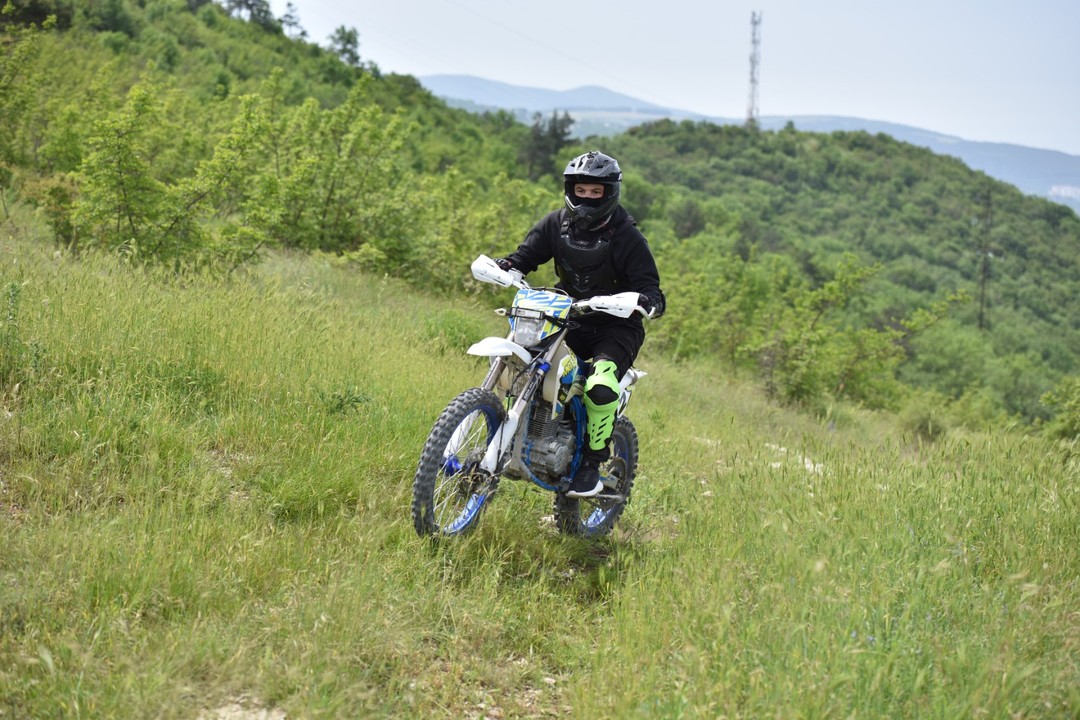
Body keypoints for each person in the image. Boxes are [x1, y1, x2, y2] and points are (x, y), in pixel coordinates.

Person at [495, 150, 665, 498]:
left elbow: (651, 288)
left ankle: (590, 463)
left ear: (609, 193)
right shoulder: (556, 224)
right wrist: (508, 266)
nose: (586, 198)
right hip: (567, 314)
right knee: (525, 363)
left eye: (595, 192)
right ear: (571, 190)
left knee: (600, 385)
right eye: (581, 190)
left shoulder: (627, 236)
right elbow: (524, 256)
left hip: (616, 326)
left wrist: (647, 302)